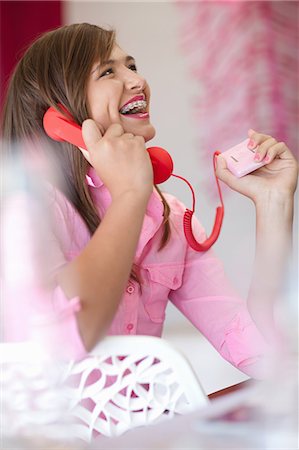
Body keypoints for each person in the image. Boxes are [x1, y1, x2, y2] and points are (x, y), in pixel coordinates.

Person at [1, 23, 298, 377]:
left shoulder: (170, 218)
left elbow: (262, 351)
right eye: (108, 71)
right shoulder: (30, 211)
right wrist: (130, 192)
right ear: (58, 116)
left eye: (132, 66)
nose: (136, 80)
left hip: (148, 429)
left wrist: (273, 205)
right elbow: (65, 342)